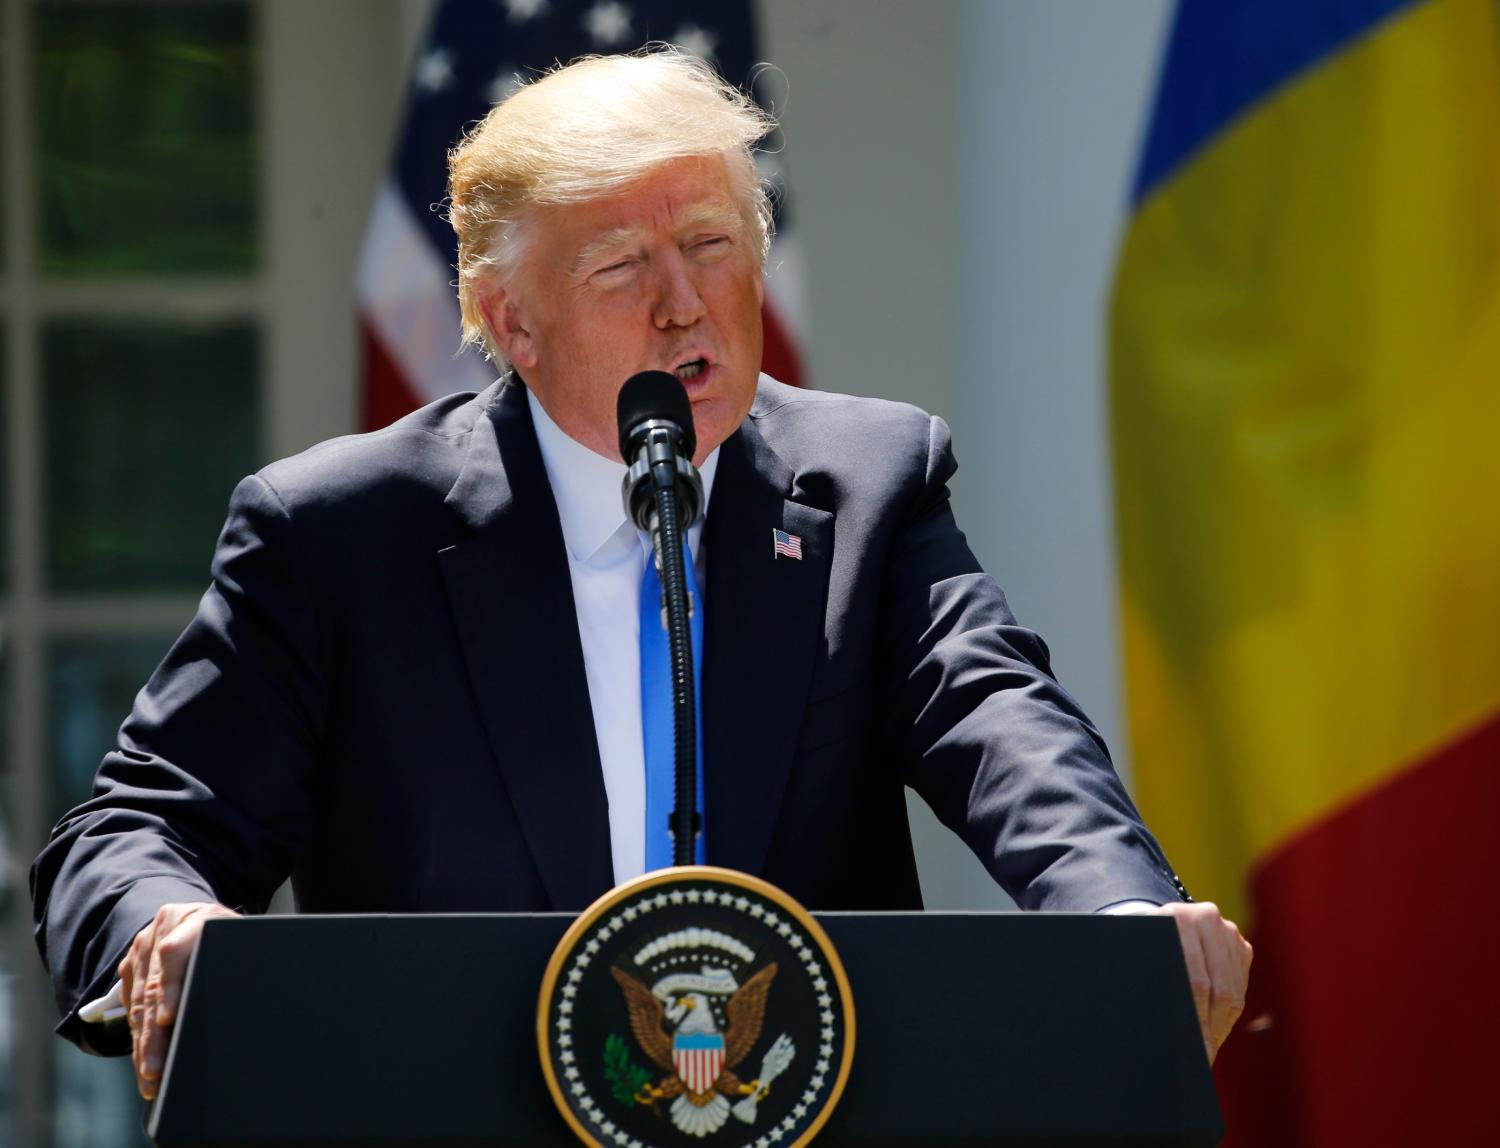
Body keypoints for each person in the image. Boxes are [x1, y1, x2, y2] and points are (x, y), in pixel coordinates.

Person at [31, 50, 1251, 1102]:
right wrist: (165, 927)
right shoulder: (341, 535)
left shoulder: (866, 483)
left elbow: (1000, 718)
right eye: (621, 267)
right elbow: (133, 828)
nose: (685, 307)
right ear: (511, 322)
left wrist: (1118, 916)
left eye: (713, 245)